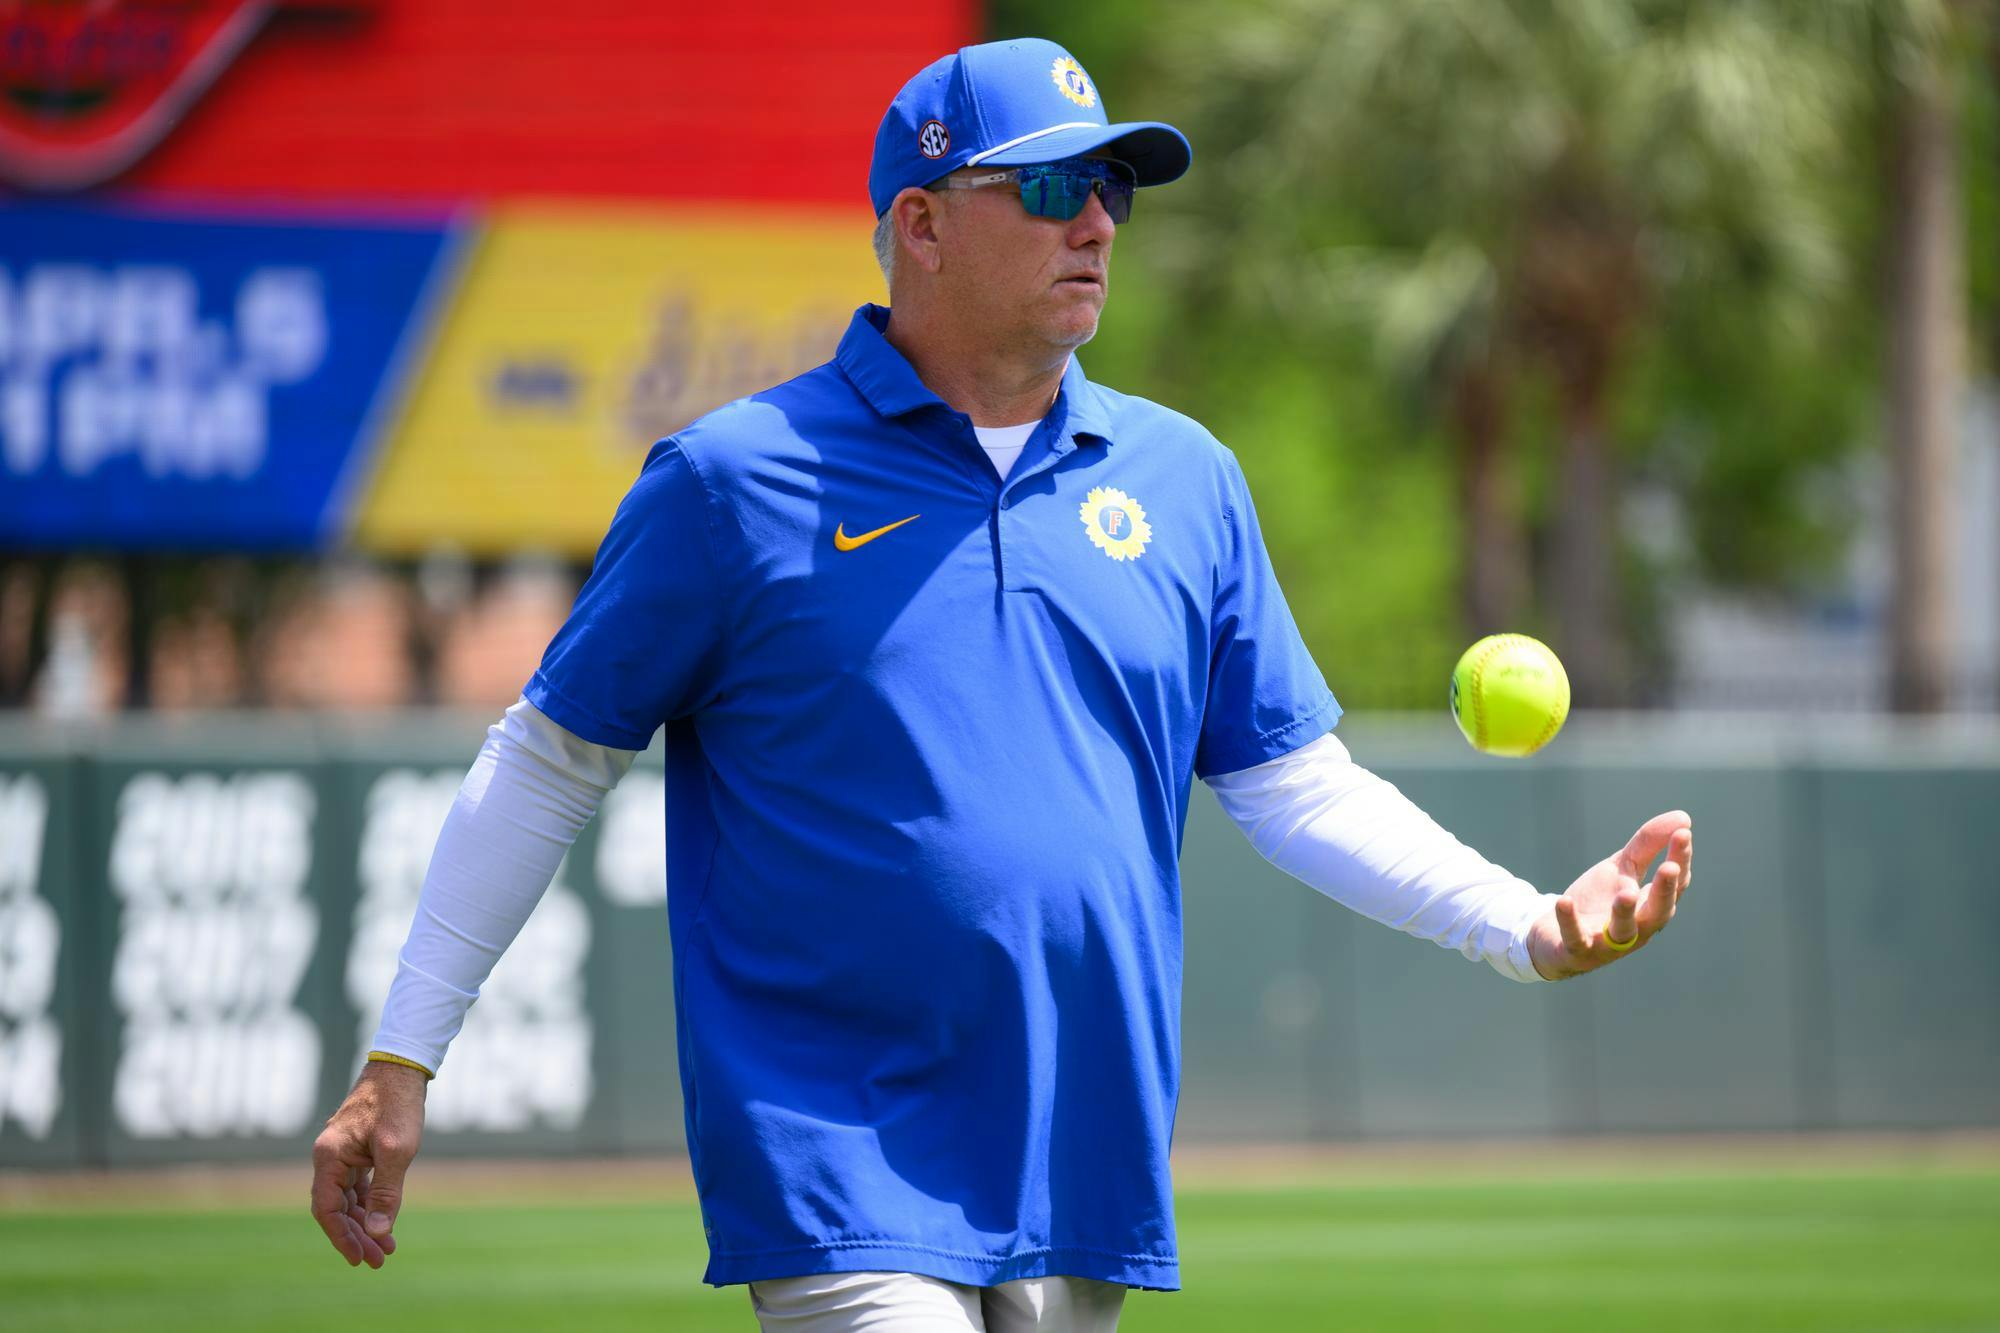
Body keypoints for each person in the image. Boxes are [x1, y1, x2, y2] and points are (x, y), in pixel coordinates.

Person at [310, 38, 1693, 1332]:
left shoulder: (1183, 479)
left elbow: (1292, 786)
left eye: (1109, 189)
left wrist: (1529, 923)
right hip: (839, 1149)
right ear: (920, 222)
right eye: (1047, 186)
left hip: (1080, 1154)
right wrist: (403, 1057)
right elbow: (548, 759)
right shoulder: (735, 481)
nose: (1093, 222)